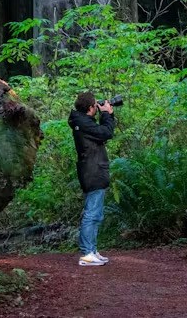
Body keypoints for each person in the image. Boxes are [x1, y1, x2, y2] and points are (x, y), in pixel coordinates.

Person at [68, 91, 115, 267]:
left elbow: (103, 132)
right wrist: (106, 114)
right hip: (93, 171)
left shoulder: (82, 122)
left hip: (93, 170)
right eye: (96, 105)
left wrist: (106, 115)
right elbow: (106, 132)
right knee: (92, 214)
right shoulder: (84, 123)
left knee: (96, 214)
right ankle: (87, 253)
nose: (97, 107)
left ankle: (92, 250)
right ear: (90, 108)